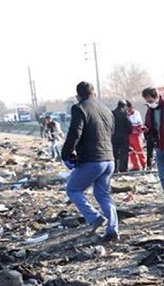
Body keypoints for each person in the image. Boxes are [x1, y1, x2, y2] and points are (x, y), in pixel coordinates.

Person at [61, 81, 119, 242]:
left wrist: (66, 154)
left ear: (78, 96)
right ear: (94, 93)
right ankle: (113, 229)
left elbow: (75, 132)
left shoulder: (79, 108)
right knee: (103, 194)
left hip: (92, 160)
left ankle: (95, 218)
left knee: (73, 189)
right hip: (109, 160)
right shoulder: (106, 110)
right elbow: (111, 132)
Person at [111, 100, 131, 173]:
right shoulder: (125, 113)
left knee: (114, 153)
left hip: (114, 136)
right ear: (124, 105)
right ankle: (123, 170)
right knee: (124, 153)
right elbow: (129, 125)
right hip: (124, 137)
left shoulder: (112, 113)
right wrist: (129, 132)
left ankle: (114, 169)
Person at [125, 101, 146, 171]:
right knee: (131, 151)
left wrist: (140, 133)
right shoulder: (125, 114)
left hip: (136, 135)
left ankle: (144, 165)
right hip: (129, 134)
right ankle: (135, 166)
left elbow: (139, 124)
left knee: (139, 150)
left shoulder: (136, 113)